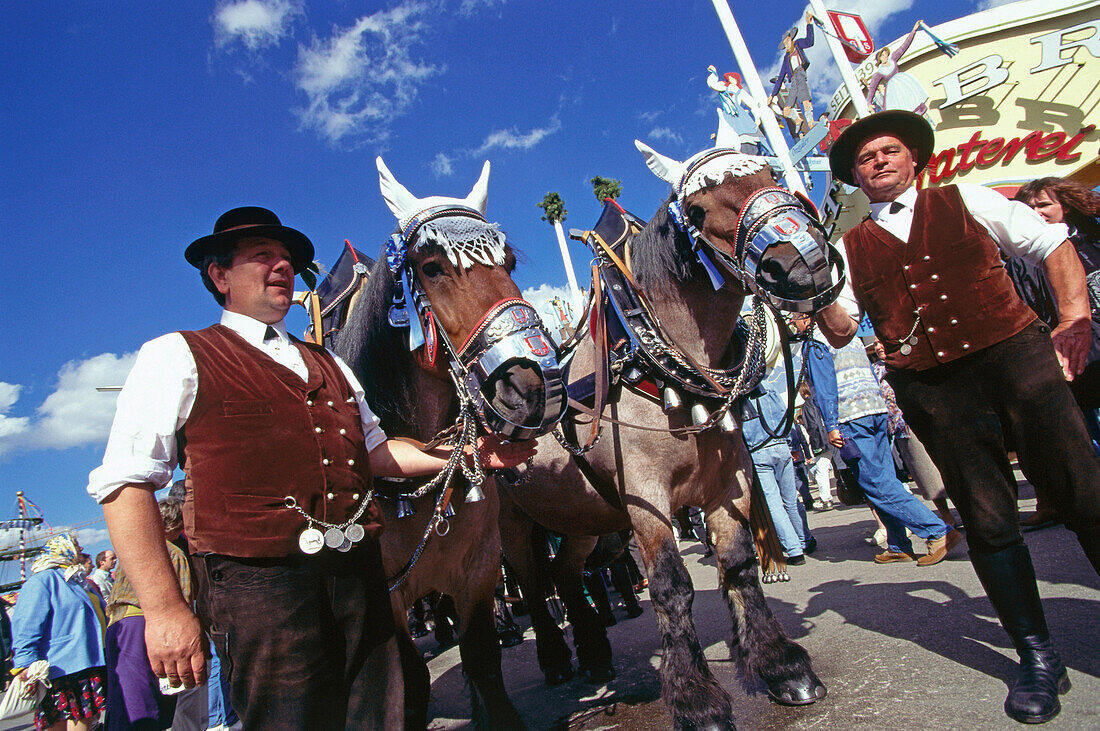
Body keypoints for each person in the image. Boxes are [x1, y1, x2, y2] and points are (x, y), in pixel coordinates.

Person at [86, 206, 535, 729]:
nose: (281, 266)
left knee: (379, 718)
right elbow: (126, 483)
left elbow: (377, 453)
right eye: (262, 256)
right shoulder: (176, 355)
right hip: (260, 591)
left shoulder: (331, 364)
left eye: (286, 258)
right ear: (219, 275)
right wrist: (163, 610)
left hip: (361, 577)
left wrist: (473, 453)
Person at [822, 109, 1100, 724]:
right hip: (935, 390)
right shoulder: (848, 248)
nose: (879, 162)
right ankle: (1036, 655)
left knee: (1084, 493)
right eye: (866, 159)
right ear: (856, 178)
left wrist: (1074, 318)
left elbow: (1052, 242)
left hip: (1018, 361)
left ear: (913, 158)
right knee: (988, 521)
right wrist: (810, 296)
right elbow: (841, 331)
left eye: (890, 151)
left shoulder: (965, 198)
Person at [802, 328, 958, 565]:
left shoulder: (816, 343)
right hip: (874, 411)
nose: (793, 322)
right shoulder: (849, 335)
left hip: (850, 418)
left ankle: (937, 532)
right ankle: (898, 544)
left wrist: (832, 424)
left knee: (876, 485)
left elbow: (824, 387)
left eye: (795, 316)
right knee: (886, 479)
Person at [104, 496, 204, 731]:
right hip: (144, 625)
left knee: (123, 700)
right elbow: (184, 600)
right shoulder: (171, 554)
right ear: (178, 525)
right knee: (145, 701)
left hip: (117, 625)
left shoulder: (136, 551)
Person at [10, 534, 107, 731]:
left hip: (87, 663)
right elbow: (26, 624)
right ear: (63, 548)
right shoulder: (43, 580)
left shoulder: (76, 579)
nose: (80, 549)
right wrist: (24, 663)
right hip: (61, 669)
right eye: (76, 545)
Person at [867, 339, 957, 527]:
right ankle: (946, 515)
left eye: (881, 342)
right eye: (875, 343)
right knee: (923, 472)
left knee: (946, 467)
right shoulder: (874, 369)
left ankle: (965, 508)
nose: (879, 346)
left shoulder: (905, 362)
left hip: (920, 418)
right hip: (899, 428)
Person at [741, 373, 815, 566]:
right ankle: (804, 539)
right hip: (780, 444)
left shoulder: (740, 394)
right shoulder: (770, 387)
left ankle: (793, 549)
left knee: (773, 502)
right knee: (791, 499)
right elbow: (786, 415)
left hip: (758, 449)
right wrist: (792, 445)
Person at [864, 21, 930, 115]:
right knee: (901, 104)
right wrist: (869, 103)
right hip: (893, 89)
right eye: (882, 56)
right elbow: (872, 89)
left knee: (912, 98)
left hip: (903, 82)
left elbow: (904, 46)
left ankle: (919, 112)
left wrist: (913, 31)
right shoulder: (878, 73)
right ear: (879, 59)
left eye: (885, 54)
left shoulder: (893, 59)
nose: (885, 57)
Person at [769, 12, 816, 136]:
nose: (786, 43)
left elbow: (810, 41)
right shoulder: (786, 58)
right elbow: (780, 78)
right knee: (786, 110)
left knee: (805, 101)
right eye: (784, 43)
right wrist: (773, 95)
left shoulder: (798, 44)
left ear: (790, 38)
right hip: (793, 80)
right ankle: (798, 120)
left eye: (787, 40)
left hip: (800, 73)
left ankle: (811, 123)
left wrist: (809, 24)